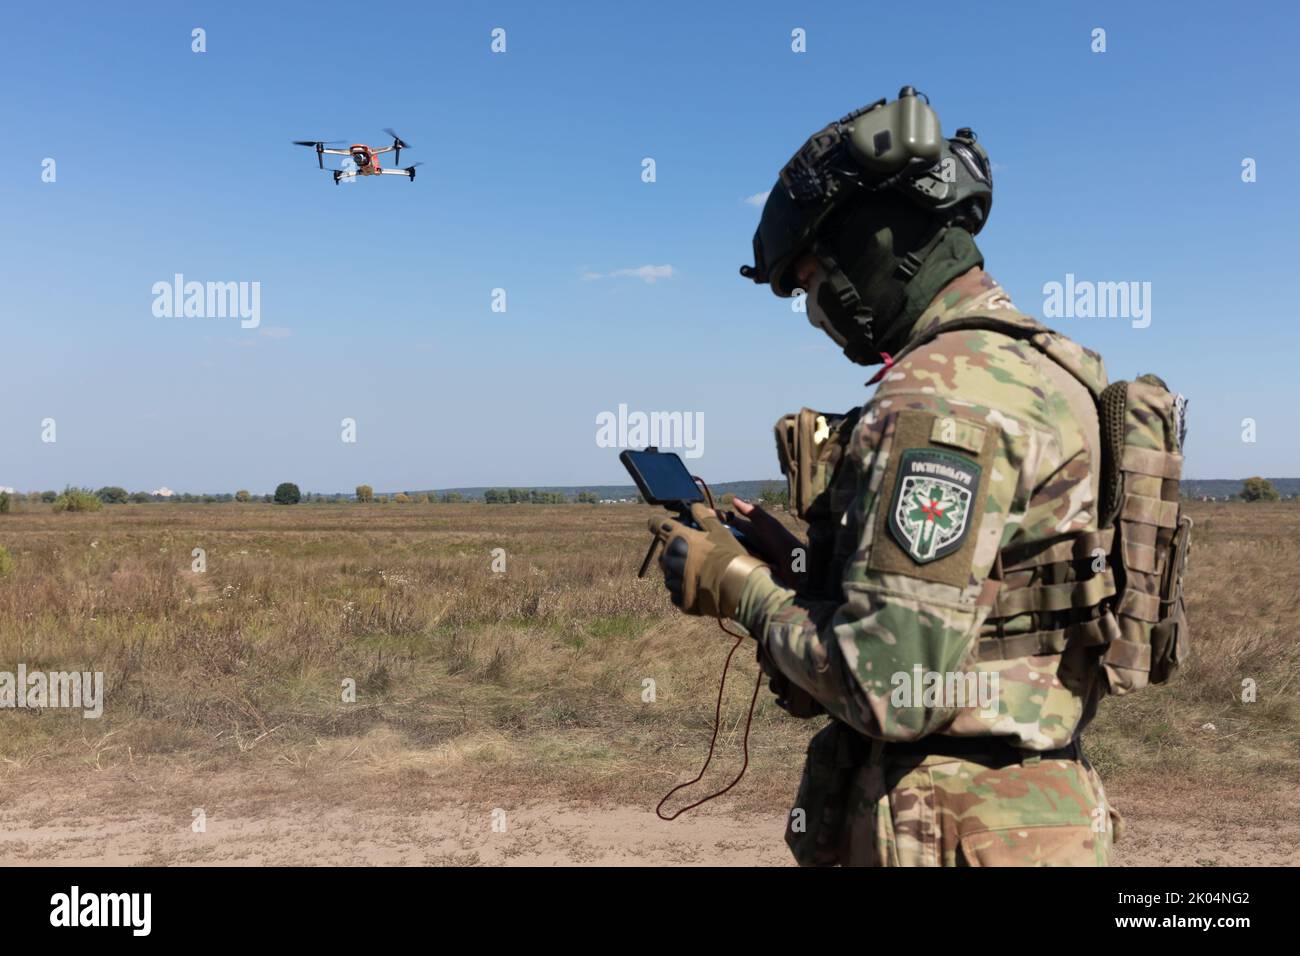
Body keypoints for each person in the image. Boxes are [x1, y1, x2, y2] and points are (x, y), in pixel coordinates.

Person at [648, 88, 1125, 866]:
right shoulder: (1051, 368)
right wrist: (796, 560)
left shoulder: (939, 397)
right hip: (1032, 818)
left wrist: (740, 588)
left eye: (807, 282)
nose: (814, 312)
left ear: (872, 241)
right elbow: (986, 600)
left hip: (949, 826)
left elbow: (888, 684)